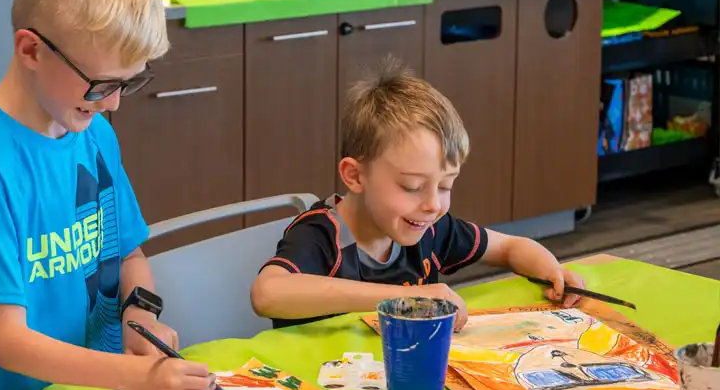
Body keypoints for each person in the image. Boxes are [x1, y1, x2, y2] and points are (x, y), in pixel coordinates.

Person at [0, 0, 214, 390]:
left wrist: (140, 318)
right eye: (101, 84)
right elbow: (8, 341)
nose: (114, 104)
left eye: (129, 83)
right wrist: (139, 377)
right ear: (31, 50)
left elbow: (128, 255)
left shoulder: (92, 132)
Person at [250, 59, 586, 331]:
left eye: (446, 186)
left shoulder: (430, 228)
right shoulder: (321, 234)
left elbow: (512, 247)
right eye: (411, 187)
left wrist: (552, 271)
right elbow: (267, 293)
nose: (432, 204)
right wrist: (406, 298)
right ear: (355, 175)